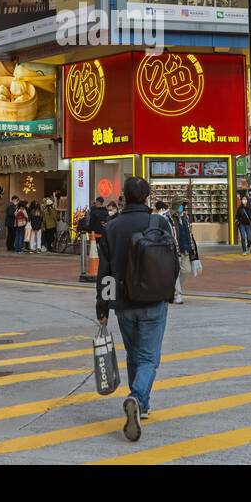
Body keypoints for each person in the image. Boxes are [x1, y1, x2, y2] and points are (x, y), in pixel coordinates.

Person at [96, 177, 170, 441]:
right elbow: (170, 261)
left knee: (134, 354)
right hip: (154, 300)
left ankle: (143, 404)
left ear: (124, 196)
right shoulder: (159, 223)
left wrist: (102, 307)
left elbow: (104, 272)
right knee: (150, 358)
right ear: (147, 196)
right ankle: (138, 398)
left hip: (123, 303)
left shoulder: (112, 227)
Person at [170, 201, 198, 305]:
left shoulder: (185, 218)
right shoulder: (170, 218)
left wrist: (192, 248)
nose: (183, 207)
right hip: (175, 249)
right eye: (181, 205)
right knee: (176, 272)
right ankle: (177, 295)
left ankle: (173, 289)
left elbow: (189, 233)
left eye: (183, 205)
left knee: (186, 270)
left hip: (185, 248)